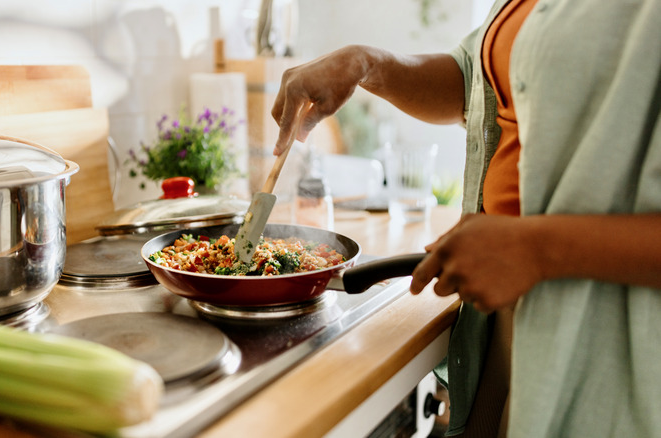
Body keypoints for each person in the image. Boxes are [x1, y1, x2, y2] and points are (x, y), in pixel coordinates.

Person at [270, 0, 661, 437]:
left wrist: (536, 247)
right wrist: (366, 63)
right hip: (507, 315)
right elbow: (477, 80)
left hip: (609, 340)